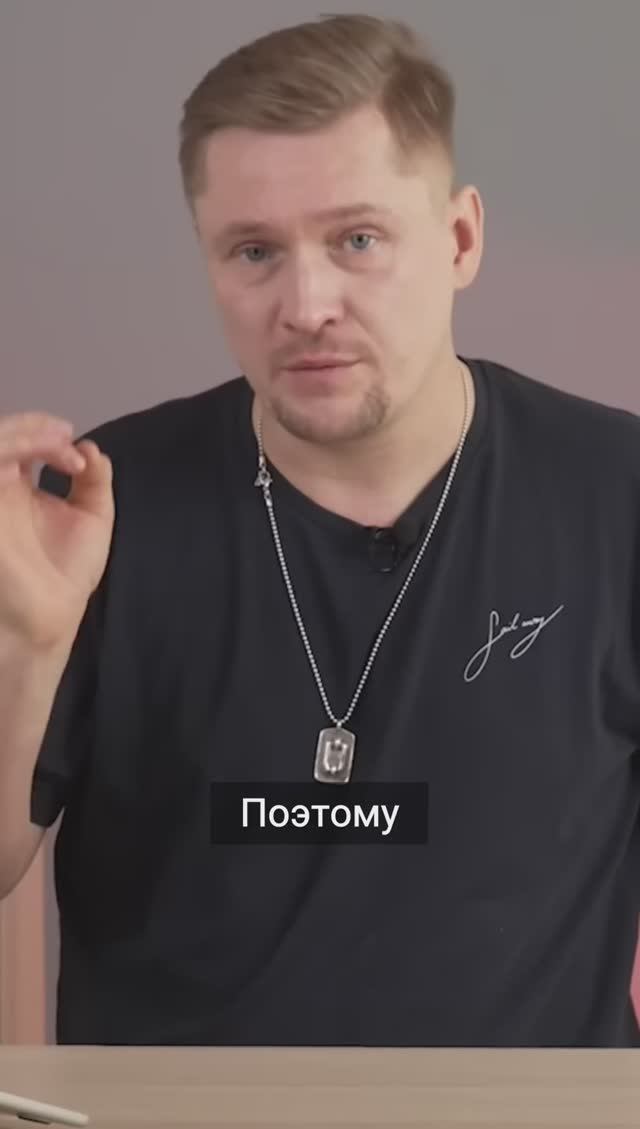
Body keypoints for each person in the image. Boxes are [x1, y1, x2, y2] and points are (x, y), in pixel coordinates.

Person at [1, 12, 639, 1049]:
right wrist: (26, 646)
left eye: (358, 240)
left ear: (460, 239)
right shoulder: (95, 503)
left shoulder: (616, 492)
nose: (305, 305)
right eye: (254, 250)